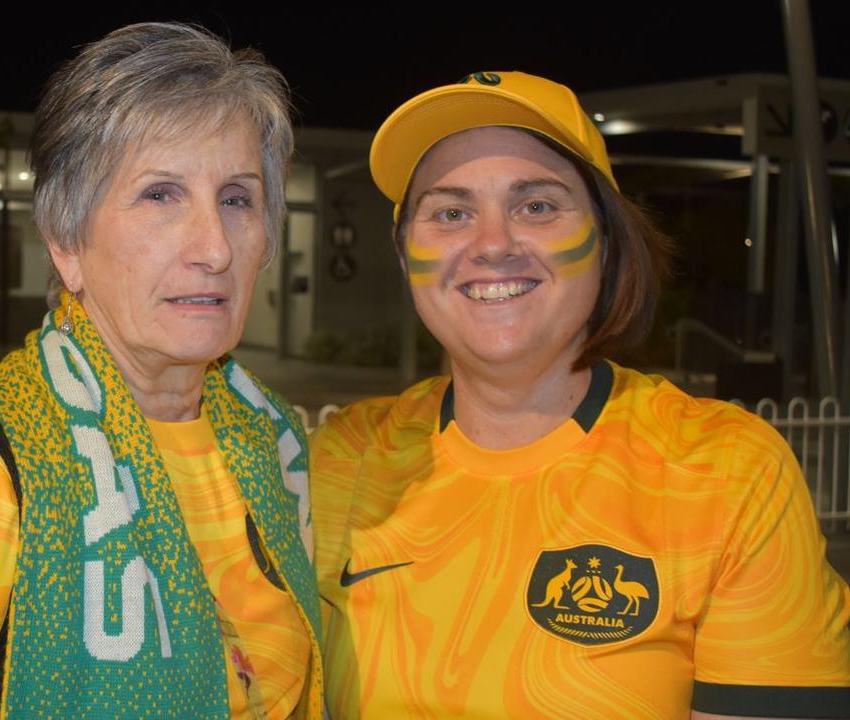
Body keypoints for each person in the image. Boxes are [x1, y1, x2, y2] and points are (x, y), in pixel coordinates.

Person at [0, 23, 322, 719]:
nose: (214, 247)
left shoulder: (275, 444)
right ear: (66, 240)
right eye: (160, 195)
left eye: (237, 198)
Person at [311, 71, 850, 719]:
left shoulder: (729, 474)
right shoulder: (339, 458)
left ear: (607, 239)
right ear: (405, 259)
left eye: (536, 205)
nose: (491, 245)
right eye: (451, 213)